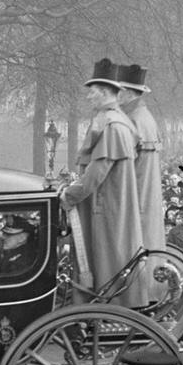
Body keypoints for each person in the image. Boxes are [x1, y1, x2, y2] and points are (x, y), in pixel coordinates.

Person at [60, 58, 144, 306]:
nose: (89, 97)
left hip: (106, 209)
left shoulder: (112, 125)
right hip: (109, 206)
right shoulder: (118, 121)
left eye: (92, 92)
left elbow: (96, 174)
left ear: (106, 92)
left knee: (105, 261)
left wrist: (68, 195)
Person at [117, 64, 164, 254]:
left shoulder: (131, 120)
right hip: (146, 201)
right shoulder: (145, 117)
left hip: (135, 201)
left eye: (118, 90)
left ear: (128, 92)